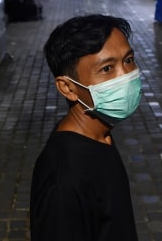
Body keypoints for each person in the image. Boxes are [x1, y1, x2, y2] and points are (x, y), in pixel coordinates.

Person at [30, 14, 141, 241]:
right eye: (107, 69)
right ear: (68, 88)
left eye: (128, 60)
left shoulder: (99, 132)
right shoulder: (64, 184)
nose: (126, 76)